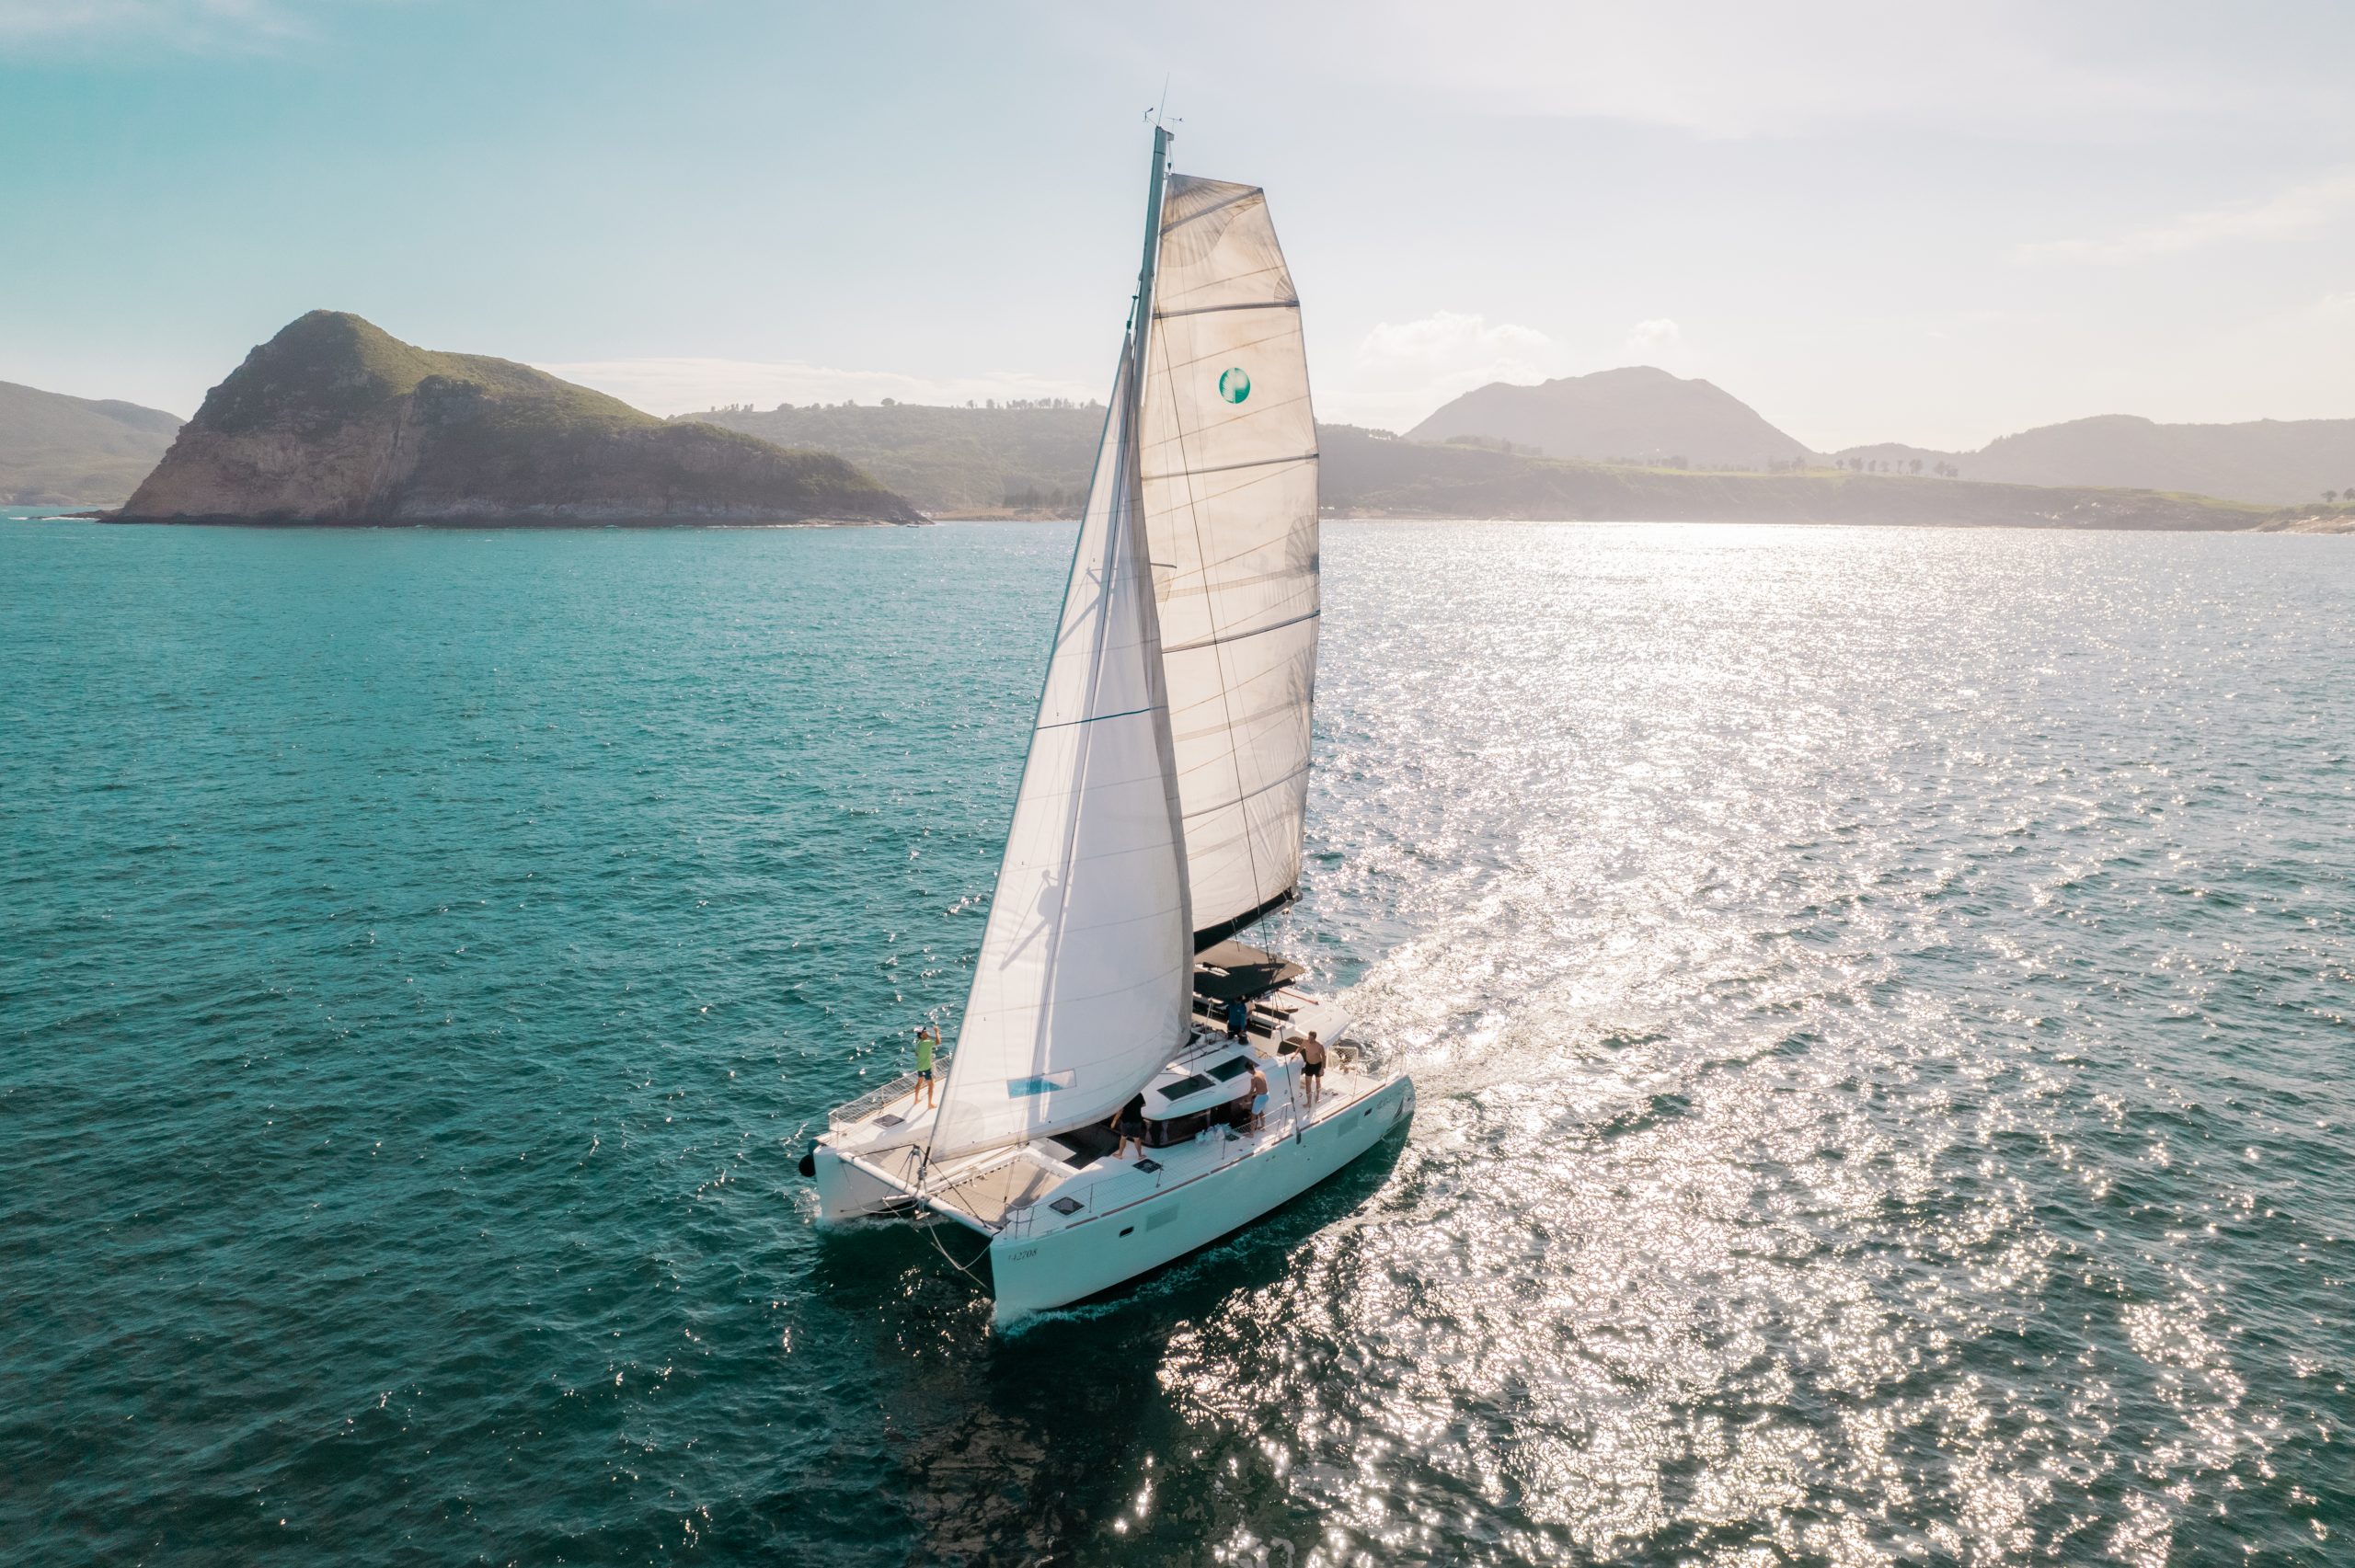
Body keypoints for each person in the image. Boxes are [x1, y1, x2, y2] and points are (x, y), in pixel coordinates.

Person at [1111, 1090, 1148, 1162]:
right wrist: (1136, 1107)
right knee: (1137, 1139)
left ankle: (1120, 1155)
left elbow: (1120, 1111)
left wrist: (1114, 1121)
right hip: (1137, 1121)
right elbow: (1144, 1104)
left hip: (1126, 1121)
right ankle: (1140, 1156)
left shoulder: (1126, 1096)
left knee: (1123, 1138)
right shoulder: (1139, 1094)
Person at [913, 1024, 939, 1109]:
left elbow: (916, 1054)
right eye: (925, 1031)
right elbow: (938, 1042)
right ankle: (930, 1104)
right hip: (926, 1068)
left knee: (919, 1082)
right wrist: (937, 1032)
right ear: (922, 1034)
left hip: (920, 1067)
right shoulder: (927, 1042)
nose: (927, 1032)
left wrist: (925, 1054)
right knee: (931, 1086)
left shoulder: (919, 1043)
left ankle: (916, 1099)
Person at [1298, 1030, 1327, 1108]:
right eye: (1308, 1037)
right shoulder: (1305, 1042)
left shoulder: (1319, 1046)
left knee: (1318, 1082)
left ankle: (1317, 1096)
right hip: (1309, 1065)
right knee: (1308, 1084)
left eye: (1311, 1038)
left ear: (1314, 1038)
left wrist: (1322, 1068)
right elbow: (1300, 1048)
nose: (1309, 1039)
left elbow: (1324, 1057)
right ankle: (1309, 1102)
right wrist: (1295, 1053)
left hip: (1318, 1065)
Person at [1248, 1062, 1269, 1131]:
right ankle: (1263, 1127)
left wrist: (1247, 1099)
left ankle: (1251, 1133)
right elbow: (1261, 1085)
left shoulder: (1254, 1078)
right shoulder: (1261, 1072)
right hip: (1267, 1095)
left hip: (1261, 1097)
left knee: (1253, 1115)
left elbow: (1251, 1090)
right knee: (1260, 1111)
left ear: (1248, 1070)